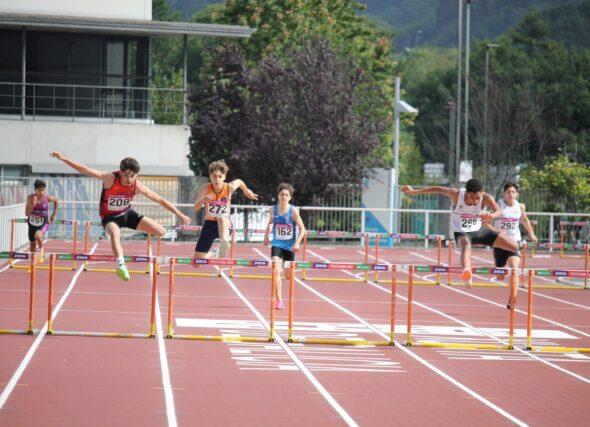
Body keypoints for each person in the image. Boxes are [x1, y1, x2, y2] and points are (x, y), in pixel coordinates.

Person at [50, 151, 191, 281]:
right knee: (115, 233)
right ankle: (121, 265)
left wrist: (179, 213)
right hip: (110, 218)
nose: (130, 179)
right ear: (120, 172)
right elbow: (84, 170)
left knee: (161, 232)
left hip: (127, 214)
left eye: (133, 176)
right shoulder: (110, 178)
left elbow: (159, 199)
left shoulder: (137, 186)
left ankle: (154, 235)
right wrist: (63, 158)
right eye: (126, 175)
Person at [401, 178, 518, 288]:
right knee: (466, 246)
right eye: (472, 197)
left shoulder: (487, 197)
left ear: (482, 193)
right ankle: (467, 272)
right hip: (462, 233)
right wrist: (415, 192)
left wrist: (491, 215)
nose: (475, 201)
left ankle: (501, 266)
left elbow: (499, 211)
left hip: (480, 231)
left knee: (514, 246)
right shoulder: (456, 194)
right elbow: (438, 189)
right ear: (466, 193)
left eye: (478, 197)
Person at [193, 160, 258, 264]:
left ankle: (225, 241)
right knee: (197, 262)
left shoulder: (229, 187)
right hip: (209, 225)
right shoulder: (205, 188)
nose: (217, 179)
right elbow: (196, 208)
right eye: (214, 176)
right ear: (210, 176)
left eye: (220, 176)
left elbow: (240, 182)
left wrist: (246, 190)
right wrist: (203, 199)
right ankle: (214, 254)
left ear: (224, 177)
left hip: (224, 224)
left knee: (222, 217)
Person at [491, 182, 537, 309]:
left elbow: (524, 219)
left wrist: (532, 234)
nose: (511, 194)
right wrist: (495, 232)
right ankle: (500, 271)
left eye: (513, 192)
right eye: (508, 192)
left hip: (514, 243)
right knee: (500, 275)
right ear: (504, 194)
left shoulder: (520, 206)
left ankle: (512, 298)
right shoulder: (498, 205)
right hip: (500, 243)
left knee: (514, 269)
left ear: (516, 194)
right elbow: (488, 220)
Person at [263, 183, 306, 309]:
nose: (284, 197)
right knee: (275, 268)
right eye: (282, 194)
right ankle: (279, 300)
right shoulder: (273, 210)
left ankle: (282, 272)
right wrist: (266, 235)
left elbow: (302, 229)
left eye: (286, 195)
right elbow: (271, 223)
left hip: (289, 246)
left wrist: (297, 242)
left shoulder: (293, 211)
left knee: (288, 276)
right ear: (278, 196)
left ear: (290, 197)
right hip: (277, 243)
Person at [25, 179, 58, 263]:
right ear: (35, 190)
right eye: (39, 190)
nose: (41, 192)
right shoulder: (30, 198)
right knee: (32, 245)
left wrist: (54, 214)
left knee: (38, 236)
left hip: (43, 223)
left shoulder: (47, 198)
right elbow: (26, 213)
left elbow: (56, 199)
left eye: (43, 190)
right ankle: (32, 265)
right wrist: (33, 205)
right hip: (32, 224)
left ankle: (41, 251)